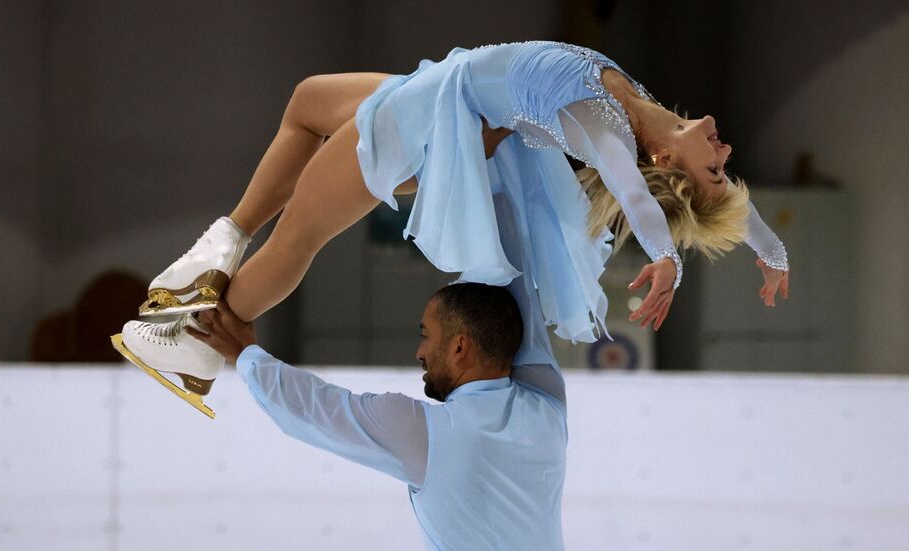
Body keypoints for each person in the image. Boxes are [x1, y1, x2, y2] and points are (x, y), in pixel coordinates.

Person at [111, 41, 790, 417]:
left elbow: (639, 200)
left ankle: (197, 343)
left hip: (430, 123)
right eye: (726, 165)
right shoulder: (640, 103)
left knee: (300, 234)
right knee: (308, 102)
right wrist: (774, 250)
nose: (726, 156)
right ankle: (223, 242)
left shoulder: (607, 125)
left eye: (716, 168)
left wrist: (666, 254)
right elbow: (731, 201)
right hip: (440, 92)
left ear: (668, 162)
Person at [189, 284, 570, 550]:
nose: (420, 351)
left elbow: (312, 409)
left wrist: (244, 353)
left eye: (426, 335)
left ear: (459, 346)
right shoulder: (549, 407)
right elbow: (522, 316)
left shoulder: (427, 435)